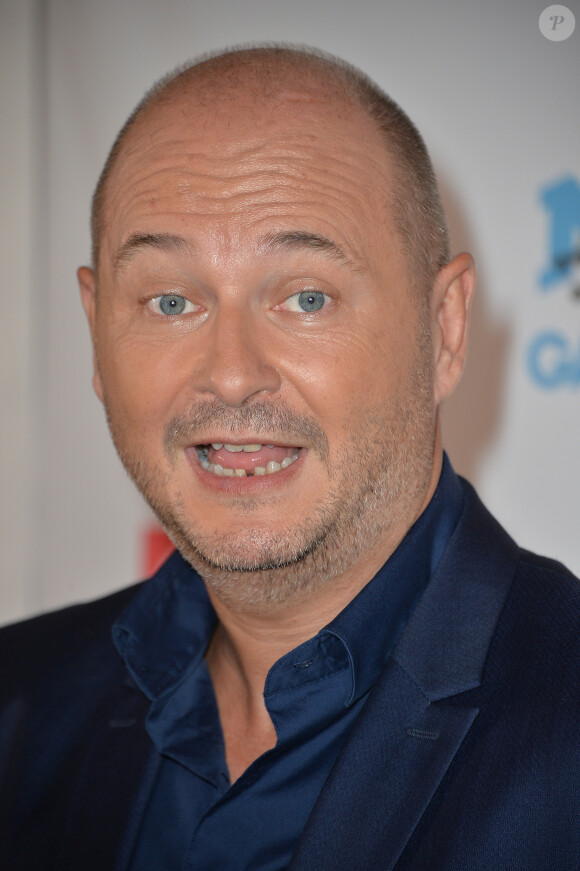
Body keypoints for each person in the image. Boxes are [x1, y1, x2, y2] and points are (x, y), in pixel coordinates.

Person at [1, 45, 579, 871]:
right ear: (96, 328)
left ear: (444, 328)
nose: (231, 372)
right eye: (170, 300)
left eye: (306, 297)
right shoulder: (20, 701)